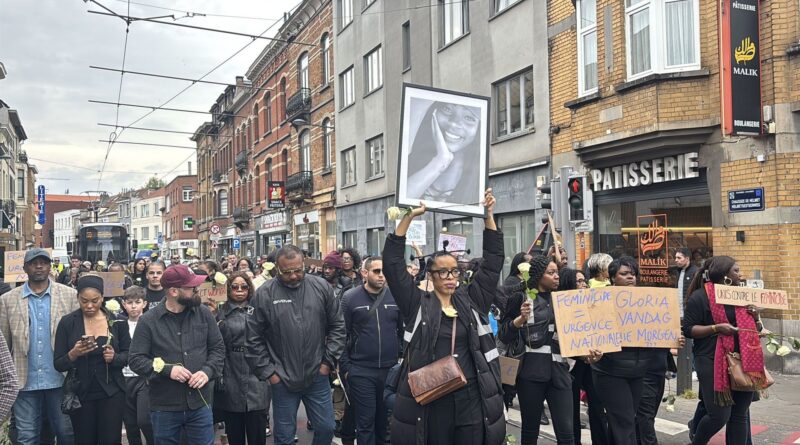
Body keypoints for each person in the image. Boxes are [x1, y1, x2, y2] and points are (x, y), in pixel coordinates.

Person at [384, 188, 506, 445]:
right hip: (433, 397)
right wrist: (408, 217)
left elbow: (494, 262)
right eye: (443, 272)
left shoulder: (472, 300)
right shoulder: (417, 303)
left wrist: (488, 216)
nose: (450, 277)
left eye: (455, 271)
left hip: (471, 398)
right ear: (430, 275)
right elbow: (392, 266)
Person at [245, 245, 346, 445]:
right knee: (284, 436)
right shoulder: (264, 293)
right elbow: (253, 339)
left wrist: (327, 363)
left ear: (304, 264)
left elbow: (338, 326)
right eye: (287, 272)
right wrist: (270, 374)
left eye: (298, 270)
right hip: (282, 378)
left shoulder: (321, 287)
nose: (293, 276)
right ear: (277, 268)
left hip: (317, 374)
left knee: (326, 428)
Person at [128, 264, 225, 445]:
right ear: (173, 291)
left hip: (200, 403)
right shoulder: (148, 321)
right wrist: (167, 370)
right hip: (165, 406)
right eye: (190, 287)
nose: (196, 290)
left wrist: (207, 371)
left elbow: (218, 349)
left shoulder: (204, 313)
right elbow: (136, 359)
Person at [591, 256, 683, 445]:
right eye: (624, 274)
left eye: (633, 274)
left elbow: (654, 331)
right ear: (612, 278)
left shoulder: (645, 302)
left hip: (638, 371)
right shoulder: (600, 301)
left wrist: (672, 338)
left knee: (624, 420)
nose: (630, 277)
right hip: (610, 372)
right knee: (625, 421)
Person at [0, 248, 78, 445]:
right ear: (25, 268)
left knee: (66, 434)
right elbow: (4, 344)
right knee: (27, 436)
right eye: (34, 263)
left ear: (50, 266)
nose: (39, 266)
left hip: (60, 379)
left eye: (43, 262)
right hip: (24, 380)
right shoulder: (7, 300)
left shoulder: (69, 295)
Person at [682, 256, 762, 445]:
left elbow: (755, 330)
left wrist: (756, 316)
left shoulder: (742, 297)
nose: (740, 274)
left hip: (743, 360)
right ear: (724, 275)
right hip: (710, 360)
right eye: (736, 270)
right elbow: (688, 330)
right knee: (719, 415)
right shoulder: (700, 297)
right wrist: (716, 328)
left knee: (740, 414)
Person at [499, 256, 575, 445]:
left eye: (557, 272)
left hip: (560, 373)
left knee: (567, 433)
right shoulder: (521, 298)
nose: (557, 276)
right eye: (551, 273)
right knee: (530, 430)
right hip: (530, 374)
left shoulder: (564, 300)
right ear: (538, 275)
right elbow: (503, 334)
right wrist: (520, 320)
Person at [54, 274, 130, 445]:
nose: (89, 306)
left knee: (110, 440)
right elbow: (58, 363)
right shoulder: (68, 323)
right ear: (77, 298)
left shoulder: (117, 321)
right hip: (81, 393)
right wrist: (73, 354)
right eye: (84, 301)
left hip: (112, 391)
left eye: (95, 301)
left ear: (102, 298)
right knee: (84, 439)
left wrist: (115, 358)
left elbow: (129, 355)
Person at [340, 256, 402, 445]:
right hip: (361, 371)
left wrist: (401, 361)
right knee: (365, 423)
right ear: (364, 273)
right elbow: (340, 334)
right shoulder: (350, 298)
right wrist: (347, 368)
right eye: (377, 271)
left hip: (390, 370)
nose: (382, 275)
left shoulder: (396, 296)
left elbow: (403, 331)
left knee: (384, 424)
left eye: (384, 271)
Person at [216, 272, 271, 444]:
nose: (239, 290)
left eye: (244, 286)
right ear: (228, 289)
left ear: (250, 288)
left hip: (257, 368)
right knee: (234, 432)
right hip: (230, 369)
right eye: (234, 287)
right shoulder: (220, 312)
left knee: (257, 432)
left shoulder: (259, 310)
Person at [406, 102, 481, 204]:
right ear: (433, 113)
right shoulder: (407, 165)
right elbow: (400, 209)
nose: (454, 123)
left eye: (469, 118)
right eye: (447, 109)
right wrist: (440, 161)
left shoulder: (481, 183)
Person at [120, 286, 154, 445]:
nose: (133, 306)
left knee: (145, 420)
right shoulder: (119, 325)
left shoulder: (150, 323)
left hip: (143, 378)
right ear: (124, 304)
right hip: (124, 377)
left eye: (137, 302)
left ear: (144, 303)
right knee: (130, 424)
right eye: (129, 302)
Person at [675, 247, 698, 317]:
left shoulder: (696, 272)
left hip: (691, 312)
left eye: (679, 258)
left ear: (687, 259)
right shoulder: (678, 271)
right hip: (678, 311)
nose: (676, 260)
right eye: (676, 257)